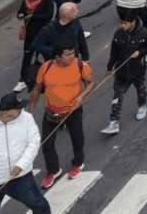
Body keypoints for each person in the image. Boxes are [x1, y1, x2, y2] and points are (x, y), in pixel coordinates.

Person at [27, 44, 93, 187]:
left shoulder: (80, 65)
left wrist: (82, 96)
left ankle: (78, 162)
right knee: (47, 143)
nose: (72, 57)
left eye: (73, 53)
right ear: (57, 57)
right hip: (51, 112)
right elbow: (37, 91)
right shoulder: (46, 68)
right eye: (67, 54)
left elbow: (91, 83)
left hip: (72, 111)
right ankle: (53, 170)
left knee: (77, 138)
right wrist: (30, 113)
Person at [98, 14, 147, 136]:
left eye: (125, 23)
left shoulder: (144, 33)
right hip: (121, 71)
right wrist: (109, 67)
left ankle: (142, 106)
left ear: (133, 22)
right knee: (117, 96)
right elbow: (114, 52)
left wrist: (140, 52)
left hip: (137, 70)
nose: (123, 26)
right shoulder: (118, 34)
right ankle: (114, 122)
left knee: (141, 89)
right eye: (121, 23)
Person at [14, 0, 55, 93]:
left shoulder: (47, 0)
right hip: (30, 33)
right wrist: (21, 15)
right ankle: (23, 79)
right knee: (27, 56)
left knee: (47, 55)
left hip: (43, 32)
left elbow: (49, 15)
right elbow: (20, 11)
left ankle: (52, 75)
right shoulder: (26, 0)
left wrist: (33, 16)